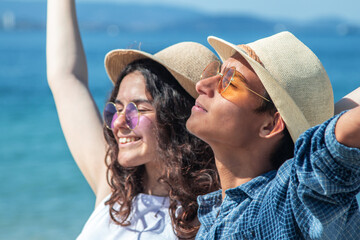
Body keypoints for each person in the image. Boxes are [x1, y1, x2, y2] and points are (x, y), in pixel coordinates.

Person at [46, 0, 219, 239]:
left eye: (137, 109)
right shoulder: (116, 194)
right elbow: (65, 77)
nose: (117, 124)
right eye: (116, 109)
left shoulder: (212, 218)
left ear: (175, 115)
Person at [186, 31, 360, 239]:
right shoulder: (211, 214)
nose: (201, 85)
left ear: (270, 125)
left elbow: (327, 152)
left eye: (230, 82)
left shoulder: (285, 201)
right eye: (216, 73)